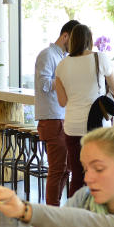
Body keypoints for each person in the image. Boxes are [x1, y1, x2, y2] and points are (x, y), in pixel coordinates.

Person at [54, 24, 114, 197]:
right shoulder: (100, 58)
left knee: (77, 176)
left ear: (73, 41)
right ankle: (95, 216)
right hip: (97, 128)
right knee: (98, 174)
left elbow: (62, 102)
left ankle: (75, 216)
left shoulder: (61, 66)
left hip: (72, 127)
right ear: (90, 40)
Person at [34, 19, 80, 205]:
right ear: (65, 35)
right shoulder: (47, 55)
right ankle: (51, 212)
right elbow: (44, 84)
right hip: (52, 119)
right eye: (74, 39)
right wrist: (64, 81)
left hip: (61, 118)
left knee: (65, 169)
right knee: (57, 169)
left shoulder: (62, 58)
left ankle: (56, 210)